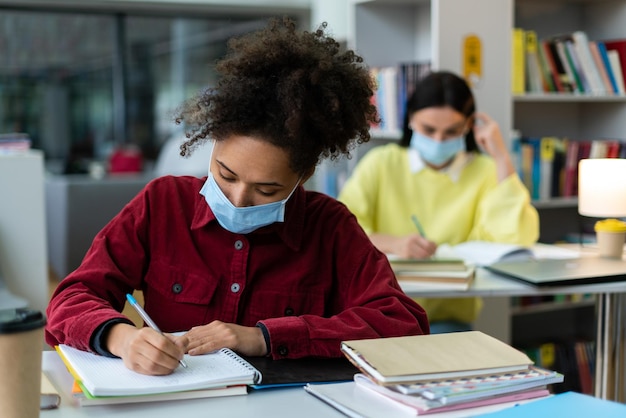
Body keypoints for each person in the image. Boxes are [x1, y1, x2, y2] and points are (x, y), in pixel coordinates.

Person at [45, 17, 429, 376]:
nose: (238, 199)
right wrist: (123, 339)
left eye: (267, 190)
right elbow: (73, 297)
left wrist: (263, 337)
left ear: (304, 176)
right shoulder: (162, 204)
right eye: (226, 174)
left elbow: (402, 322)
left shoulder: (329, 227)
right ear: (212, 145)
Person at [338, 71, 539, 333]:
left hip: (448, 319)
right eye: (429, 130)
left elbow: (515, 237)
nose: (438, 140)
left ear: (468, 126)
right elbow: (343, 233)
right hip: (378, 315)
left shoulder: (485, 170)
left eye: (451, 131)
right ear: (410, 120)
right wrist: (395, 244)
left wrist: (502, 156)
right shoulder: (381, 163)